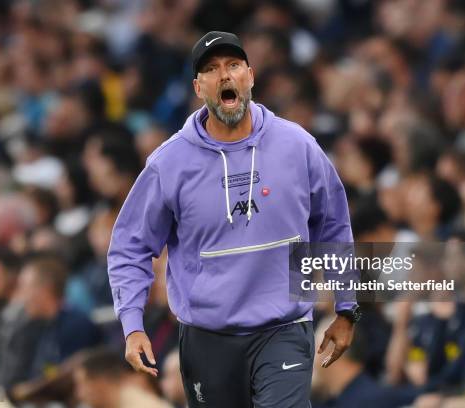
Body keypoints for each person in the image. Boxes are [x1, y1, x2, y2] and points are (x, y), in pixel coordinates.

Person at [108, 31, 359, 408]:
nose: (224, 75)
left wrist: (346, 305)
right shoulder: (169, 163)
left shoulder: (297, 145)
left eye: (233, 65)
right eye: (211, 70)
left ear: (250, 76)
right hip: (208, 336)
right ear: (198, 87)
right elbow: (129, 247)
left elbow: (334, 223)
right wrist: (132, 325)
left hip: (284, 326)